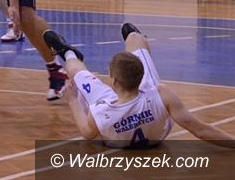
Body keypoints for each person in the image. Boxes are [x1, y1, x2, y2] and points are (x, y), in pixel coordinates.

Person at [44, 23, 235, 148]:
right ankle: (135, 38)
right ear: (142, 77)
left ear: (113, 81)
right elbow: (200, 130)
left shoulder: (101, 111)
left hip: (114, 125)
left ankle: (67, 53)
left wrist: (72, 101)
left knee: (78, 73)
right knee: (134, 38)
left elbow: (87, 133)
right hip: (156, 134)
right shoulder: (161, 94)